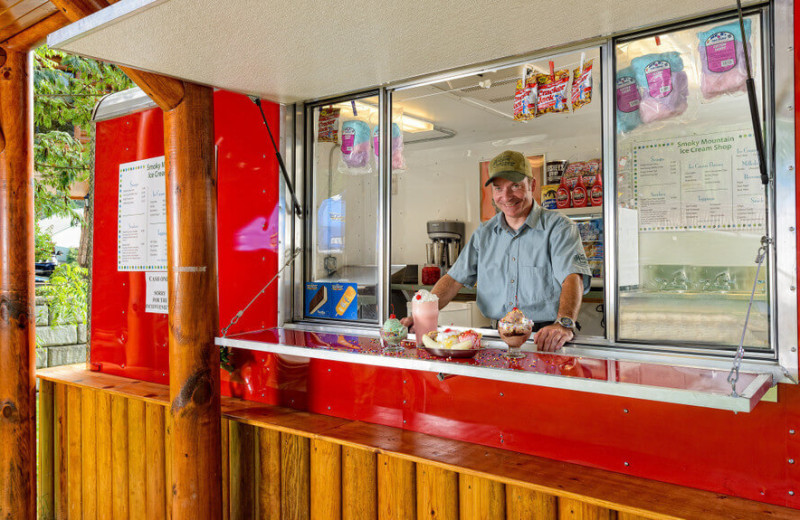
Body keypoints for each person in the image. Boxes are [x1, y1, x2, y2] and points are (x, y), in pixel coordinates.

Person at [403, 150, 592, 352]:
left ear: (532, 185)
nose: (506, 196)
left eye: (516, 186)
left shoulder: (559, 228)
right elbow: (453, 279)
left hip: (546, 338)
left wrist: (564, 323)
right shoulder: (483, 234)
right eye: (498, 188)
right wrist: (421, 317)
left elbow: (572, 277)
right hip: (497, 337)